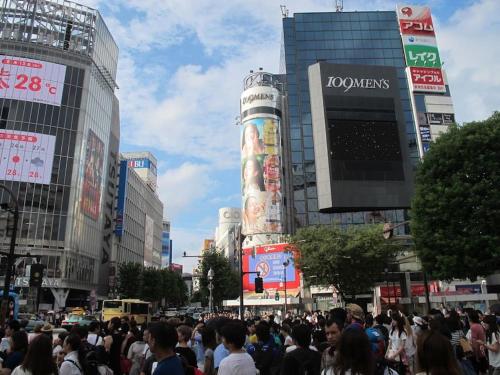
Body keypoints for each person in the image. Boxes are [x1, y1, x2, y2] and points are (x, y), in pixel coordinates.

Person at [467, 309, 488, 373]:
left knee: (476, 371)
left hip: (477, 353)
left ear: (470, 318)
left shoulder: (473, 327)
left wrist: (476, 356)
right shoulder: (479, 325)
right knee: (483, 371)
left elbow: (475, 343)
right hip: (482, 351)